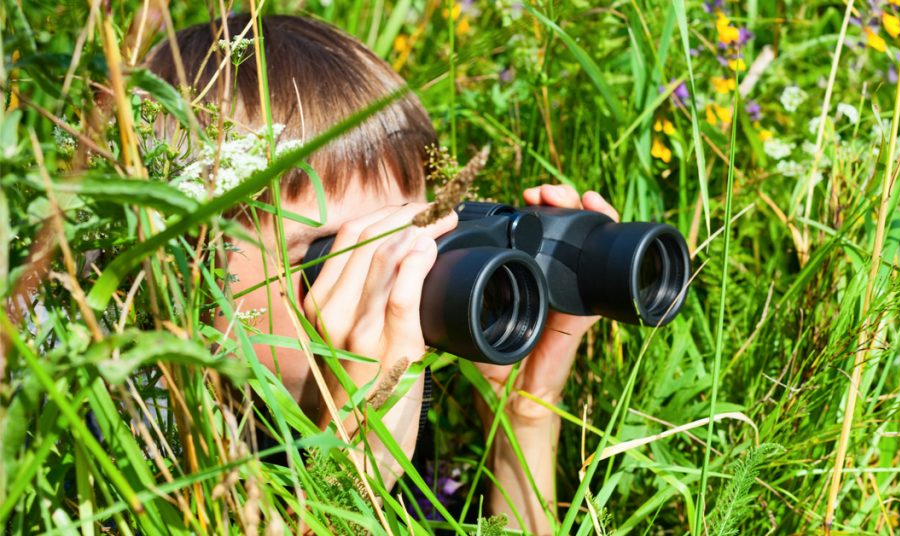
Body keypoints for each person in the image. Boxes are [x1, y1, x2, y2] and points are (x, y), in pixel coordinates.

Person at [147, 14, 619, 532]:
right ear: (179, 269)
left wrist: (521, 417)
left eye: (408, 242)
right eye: (327, 251)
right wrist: (357, 465)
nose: (391, 286)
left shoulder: (418, 413)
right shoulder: (122, 448)